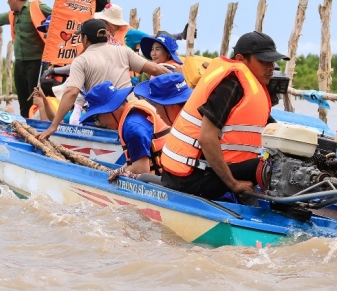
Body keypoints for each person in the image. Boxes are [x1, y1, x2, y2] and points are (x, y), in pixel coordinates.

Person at [160, 31, 285, 200]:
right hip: (190, 179)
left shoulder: (248, 86)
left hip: (195, 171)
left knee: (280, 159)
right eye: (263, 61)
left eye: (272, 61)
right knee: (271, 166)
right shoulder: (230, 85)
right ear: (241, 60)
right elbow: (206, 138)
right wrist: (233, 184)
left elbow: (272, 128)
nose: (271, 67)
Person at [37, 19, 167, 139]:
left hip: (106, 120)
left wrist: (53, 126)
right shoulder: (123, 51)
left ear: (85, 38)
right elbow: (155, 69)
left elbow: (71, 92)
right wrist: (182, 79)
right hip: (131, 113)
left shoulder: (81, 60)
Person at [82, 72, 192, 179]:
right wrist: (119, 171)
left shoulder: (132, 128)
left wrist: (118, 172)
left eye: (97, 117)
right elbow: (135, 163)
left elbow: (141, 168)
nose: (100, 123)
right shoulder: (133, 113)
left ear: (109, 110)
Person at [0, 0, 53, 117]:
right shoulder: (13, 14)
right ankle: (24, 124)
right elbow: (0, 18)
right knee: (23, 98)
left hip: (36, 62)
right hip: (20, 62)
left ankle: (37, 125)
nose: (7, 2)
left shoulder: (36, 7)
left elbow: (57, 15)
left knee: (35, 98)